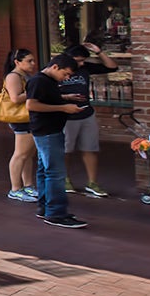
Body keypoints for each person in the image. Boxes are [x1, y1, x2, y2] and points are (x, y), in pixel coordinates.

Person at [25, 54, 89, 228]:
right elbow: (31, 104)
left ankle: (45, 208)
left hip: (49, 130)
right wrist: (63, 107)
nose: (66, 78)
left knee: (45, 170)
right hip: (47, 132)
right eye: (65, 74)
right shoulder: (39, 81)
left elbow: (46, 99)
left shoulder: (49, 81)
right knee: (56, 173)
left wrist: (66, 99)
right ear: (55, 67)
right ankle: (57, 213)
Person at [61, 42, 116, 197]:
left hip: (86, 113)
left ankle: (92, 182)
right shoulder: (56, 69)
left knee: (90, 148)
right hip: (66, 115)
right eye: (78, 60)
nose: (81, 63)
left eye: (83, 60)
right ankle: (65, 179)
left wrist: (99, 51)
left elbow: (112, 67)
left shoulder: (85, 68)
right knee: (65, 149)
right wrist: (65, 98)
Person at [2, 48, 39, 203]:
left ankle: (28, 184)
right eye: (29, 61)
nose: (33, 64)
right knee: (20, 154)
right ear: (17, 62)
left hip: (29, 117)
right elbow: (15, 98)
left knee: (28, 154)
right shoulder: (13, 76)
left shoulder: (26, 75)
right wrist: (35, 91)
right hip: (21, 119)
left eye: (33, 60)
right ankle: (15, 188)